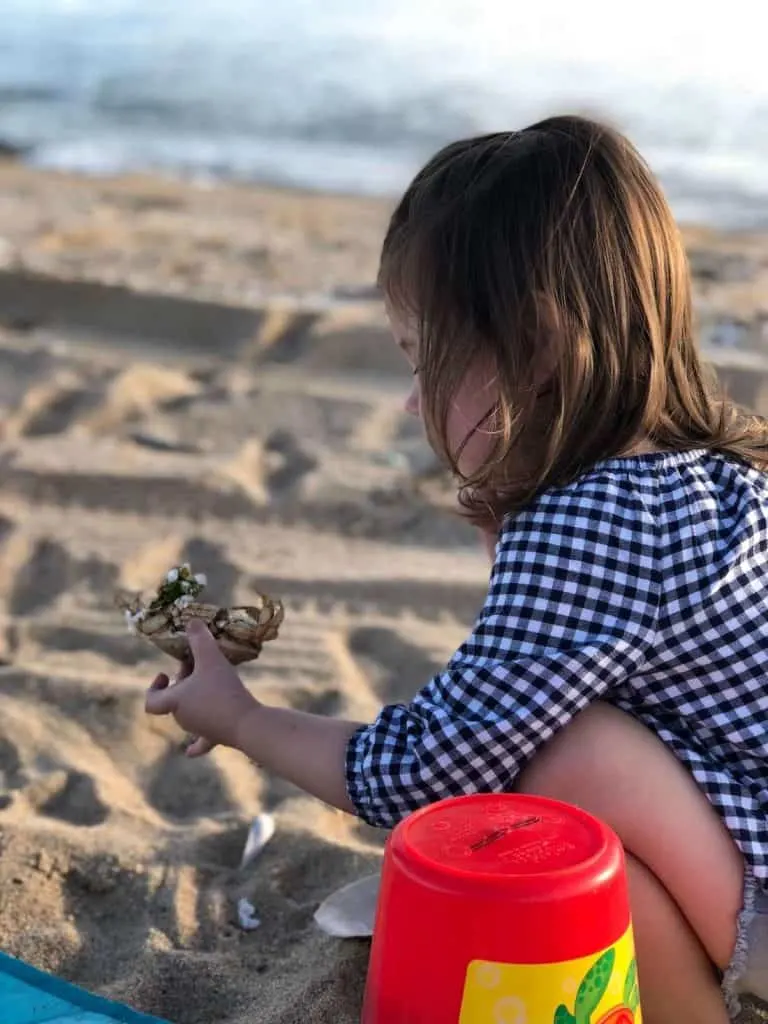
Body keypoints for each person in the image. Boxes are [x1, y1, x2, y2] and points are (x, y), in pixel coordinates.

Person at [144, 115, 768, 1023]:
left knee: (554, 758)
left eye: (420, 355)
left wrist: (242, 718)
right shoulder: (721, 472)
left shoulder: (598, 518)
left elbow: (427, 768)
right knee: (553, 735)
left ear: (541, 346)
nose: (408, 401)